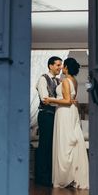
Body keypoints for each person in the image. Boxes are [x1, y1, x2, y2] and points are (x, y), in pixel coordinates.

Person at [43, 57, 89, 189]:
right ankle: (74, 175)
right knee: (71, 142)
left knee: (64, 144)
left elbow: (68, 100)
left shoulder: (64, 81)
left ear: (67, 68)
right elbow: (72, 99)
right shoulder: (74, 81)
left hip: (64, 112)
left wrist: (50, 99)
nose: (62, 68)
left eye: (63, 66)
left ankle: (66, 177)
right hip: (72, 112)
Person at [34, 56, 62, 186]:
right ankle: (41, 178)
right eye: (57, 65)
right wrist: (63, 103)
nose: (60, 68)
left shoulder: (58, 81)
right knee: (44, 145)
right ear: (50, 66)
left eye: (61, 65)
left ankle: (50, 176)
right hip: (45, 115)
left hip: (54, 116)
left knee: (52, 146)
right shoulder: (42, 79)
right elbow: (45, 99)